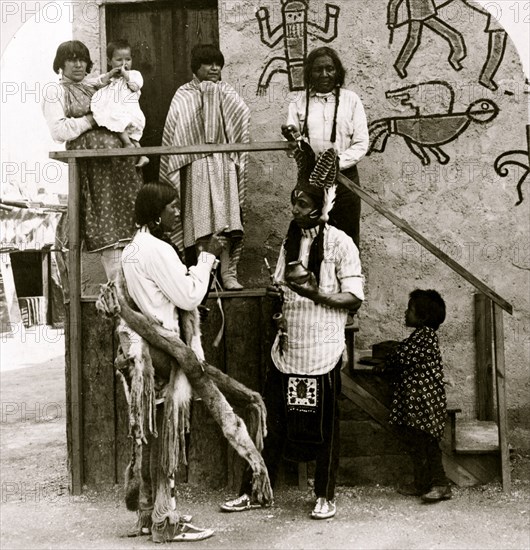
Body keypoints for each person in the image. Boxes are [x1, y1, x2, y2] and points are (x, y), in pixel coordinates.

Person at [220, 141, 364, 519]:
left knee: (325, 428)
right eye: (294, 203)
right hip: (289, 350)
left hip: (323, 349)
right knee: (268, 422)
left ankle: (325, 495)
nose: (296, 210)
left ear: (321, 206)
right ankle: (253, 489)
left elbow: (354, 298)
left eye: (303, 204)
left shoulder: (341, 243)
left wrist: (318, 293)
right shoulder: (290, 241)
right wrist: (278, 296)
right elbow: (285, 287)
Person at [121, 182, 224, 542]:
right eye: (172, 207)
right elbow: (188, 294)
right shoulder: (157, 250)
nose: (177, 213)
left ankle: (151, 515)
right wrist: (207, 258)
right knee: (168, 437)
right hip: (165, 352)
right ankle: (167, 520)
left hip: (142, 355)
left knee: (149, 438)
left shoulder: (130, 251)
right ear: (155, 213)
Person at [42, 40, 143, 278]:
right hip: (95, 170)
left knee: (131, 227)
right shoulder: (56, 91)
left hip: (120, 166)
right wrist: (93, 119)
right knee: (107, 227)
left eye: (82, 59)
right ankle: (118, 295)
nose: (78, 64)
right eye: (71, 59)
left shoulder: (95, 85)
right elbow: (59, 132)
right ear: (60, 64)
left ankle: (137, 292)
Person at [160, 44, 250, 290]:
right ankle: (205, 277)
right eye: (208, 64)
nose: (214, 68)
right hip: (196, 164)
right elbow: (176, 128)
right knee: (202, 220)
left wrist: (215, 97)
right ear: (196, 67)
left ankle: (228, 273)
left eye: (218, 64)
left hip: (223, 163)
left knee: (228, 219)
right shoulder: (184, 93)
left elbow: (242, 114)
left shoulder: (226, 91)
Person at [283, 46, 369, 248]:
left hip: (345, 182)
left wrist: (336, 163)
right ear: (309, 73)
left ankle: (348, 279)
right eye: (317, 69)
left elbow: (361, 143)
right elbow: (292, 147)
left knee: (346, 240)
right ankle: (313, 280)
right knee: (310, 241)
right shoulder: (298, 102)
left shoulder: (351, 100)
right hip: (309, 185)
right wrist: (293, 141)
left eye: (329, 69)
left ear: (337, 71)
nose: (324, 74)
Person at [378, 289, 452, 502]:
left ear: (423, 317)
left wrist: (384, 364)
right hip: (417, 403)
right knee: (418, 444)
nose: (405, 313)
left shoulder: (425, 336)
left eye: (410, 310)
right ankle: (421, 483)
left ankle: (441, 484)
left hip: (425, 404)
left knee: (428, 444)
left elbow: (402, 356)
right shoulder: (419, 336)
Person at [91, 39, 149, 168]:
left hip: (130, 109)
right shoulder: (110, 77)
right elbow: (97, 83)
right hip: (116, 110)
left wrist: (126, 75)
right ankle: (139, 152)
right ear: (109, 61)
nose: (124, 64)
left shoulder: (134, 74)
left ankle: (133, 148)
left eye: (127, 59)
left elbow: (136, 85)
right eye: (119, 60)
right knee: (117, 120)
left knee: (133, 135)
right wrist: (109, 76)